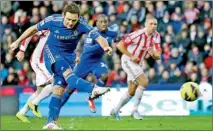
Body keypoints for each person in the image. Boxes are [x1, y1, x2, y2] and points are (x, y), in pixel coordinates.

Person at [10, 3, 112, 129]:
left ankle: (50, 123)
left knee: (58, 90)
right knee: (70, 77)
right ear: (63, 15)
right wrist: (18, 42)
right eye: (68, 19)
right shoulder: (53, 20)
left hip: (69, 57)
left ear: (78, 18)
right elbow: (33, 29)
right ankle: (93, 89)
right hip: (52, 54)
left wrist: (106, 46)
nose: (70, 23)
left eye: (73, 20)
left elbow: (99, 37)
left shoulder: (82, 24)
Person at [60, 14, 118, 113]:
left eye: (105, 22)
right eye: (101, 22)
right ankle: (56, 108)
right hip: (85, 61)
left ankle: (91, 99)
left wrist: (111, 49)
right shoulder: (93, 33)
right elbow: (87, 49)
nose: (104, 24)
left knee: (104, 76)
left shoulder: (112, 33)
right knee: (71, 88)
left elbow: (115, 41)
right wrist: (102, 45)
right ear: (96, 23)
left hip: (97, 60)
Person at [111, 16, 161, 120]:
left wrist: (153, 54)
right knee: (144, 81)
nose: (153, 26)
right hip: (128, 60)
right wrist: (131, 56)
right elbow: (120, 45)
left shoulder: (156, 36)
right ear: (146, 24)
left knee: (132, 90)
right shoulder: (138, 34)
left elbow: (158, 55)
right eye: (151, 24)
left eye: (155, 24)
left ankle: (115, 110)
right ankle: (134, 110)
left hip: (138, 63)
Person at [15, 30, 54, 123]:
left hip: (46, 62)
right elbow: (30, 32)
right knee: (57, 83)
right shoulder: (50, 28)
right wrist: (21, 50)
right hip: (39, 62)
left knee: (40, 91)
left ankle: (22, 113)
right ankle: (35, 104)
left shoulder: (66, 33)